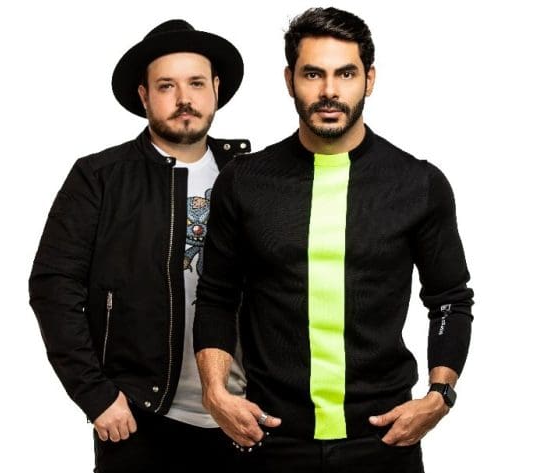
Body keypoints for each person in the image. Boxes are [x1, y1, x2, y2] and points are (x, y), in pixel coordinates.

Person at [194, 7, 474, 472]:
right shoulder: (244, 181)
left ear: (369, 79)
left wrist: (439, 395)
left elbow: (450, 300)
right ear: (289, 80)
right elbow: (217, 296)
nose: (329, 90)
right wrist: (215, 393)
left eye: (345, 73)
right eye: (313, 74)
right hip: (269, 436)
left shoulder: (418, 184)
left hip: (385, 438)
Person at [29, 19, 249, 473]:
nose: (184, 98)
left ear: (215, 88)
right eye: (166, 85)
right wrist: (96, 395)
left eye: (196, 83)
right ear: (144, 95)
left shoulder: (253, 175)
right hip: (139, 417)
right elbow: (53, 288)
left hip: (245, 415)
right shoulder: (100, 178)